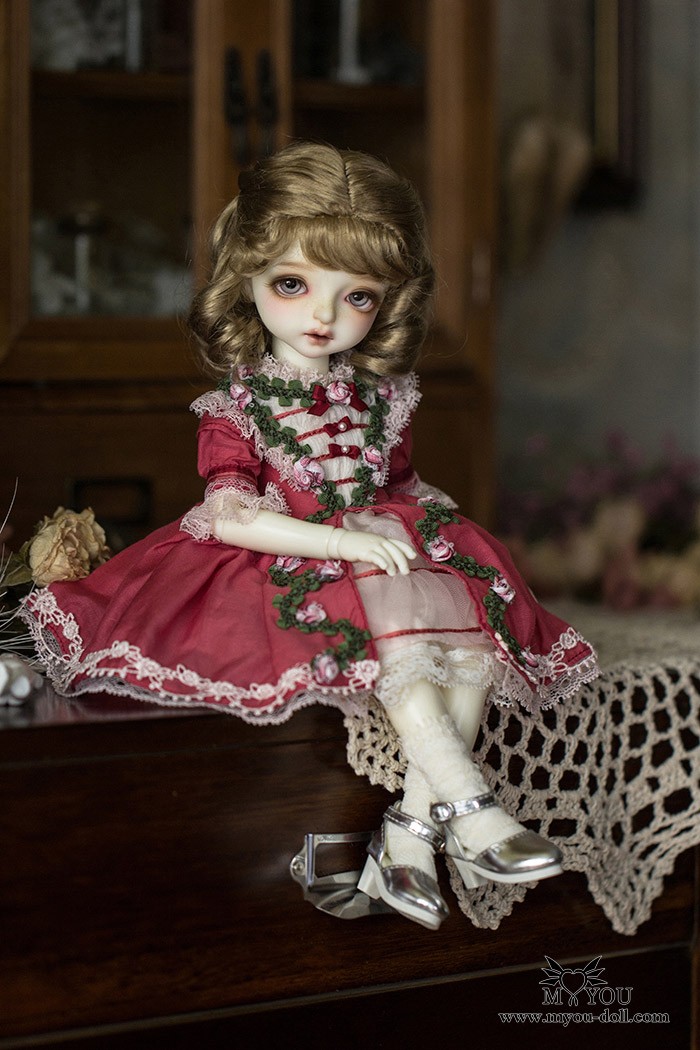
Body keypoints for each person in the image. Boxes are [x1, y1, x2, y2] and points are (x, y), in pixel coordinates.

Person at [21, 142, 598, 930]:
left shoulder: (382, 398)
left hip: (376, 546)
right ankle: (467, 810)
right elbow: (233, 514)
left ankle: (412, 836)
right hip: (284, 554)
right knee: (405, 622)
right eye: (291, 285)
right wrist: (349, 545)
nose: (322, 317)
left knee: (467, 637)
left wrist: (421, 533)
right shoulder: (239, 408)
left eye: (357, 296)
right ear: (247, 278)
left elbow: (398, 487)